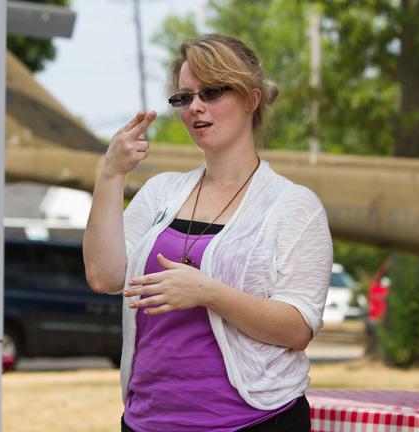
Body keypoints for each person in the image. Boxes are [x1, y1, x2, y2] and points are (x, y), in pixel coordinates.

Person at [83, 33, 333, 432]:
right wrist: (110, 174)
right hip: (148, 420)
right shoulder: (161, 191)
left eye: (212, 92)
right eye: (184, 97)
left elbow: (299, 329)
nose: (195, 107)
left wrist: (207, 292)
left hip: (253, 422)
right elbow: (104, 276)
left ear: (251, 99)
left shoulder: (293, 206)